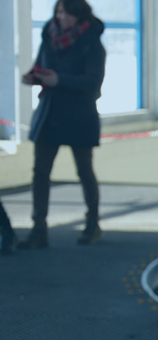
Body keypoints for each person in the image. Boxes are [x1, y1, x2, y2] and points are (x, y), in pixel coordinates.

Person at [19, 0, 105, 249]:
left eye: (66, 12)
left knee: (84, 171)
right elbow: (41, 66)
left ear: (79, 15)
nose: (61, 16)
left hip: (79, 114)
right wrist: (33, 77)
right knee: (40, 172)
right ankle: (38, 230)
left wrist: (60, 80)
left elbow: (93, 83)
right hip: (50, 112)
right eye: (58, 11)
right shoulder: (49, 35)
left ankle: (92, 224)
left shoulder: (92, 44)